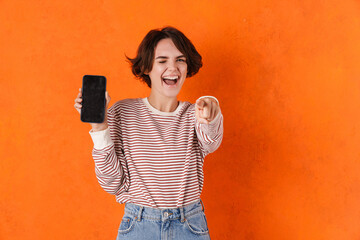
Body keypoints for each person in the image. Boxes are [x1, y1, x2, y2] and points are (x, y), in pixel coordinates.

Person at [74, 26, 223, 240]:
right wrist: (99, 127)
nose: (173, 68)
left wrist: (212, 110)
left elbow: (212, 141)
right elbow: (112, 183)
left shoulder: (195, 114)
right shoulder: (122, 112)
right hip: (139, 226)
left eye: (180, 60)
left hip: (189, 225)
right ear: (146, 68)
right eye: (162, 61)